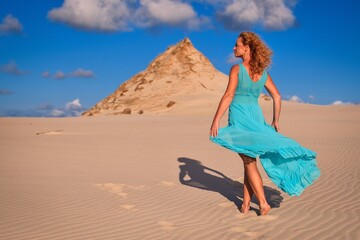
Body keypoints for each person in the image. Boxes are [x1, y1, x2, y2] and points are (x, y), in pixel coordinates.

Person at [209, 32, 320, 216]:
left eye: (237, 45)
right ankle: (245, 204)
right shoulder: (263, 73)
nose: (234, 48)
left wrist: (215, 120)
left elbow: (229, 96)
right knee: (248, 160)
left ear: (247, 48)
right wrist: (276, 119)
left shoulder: (236, 69)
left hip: (240, 118)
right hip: (256, 116)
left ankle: (262, 203)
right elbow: (277, 96)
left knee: (248, 161)